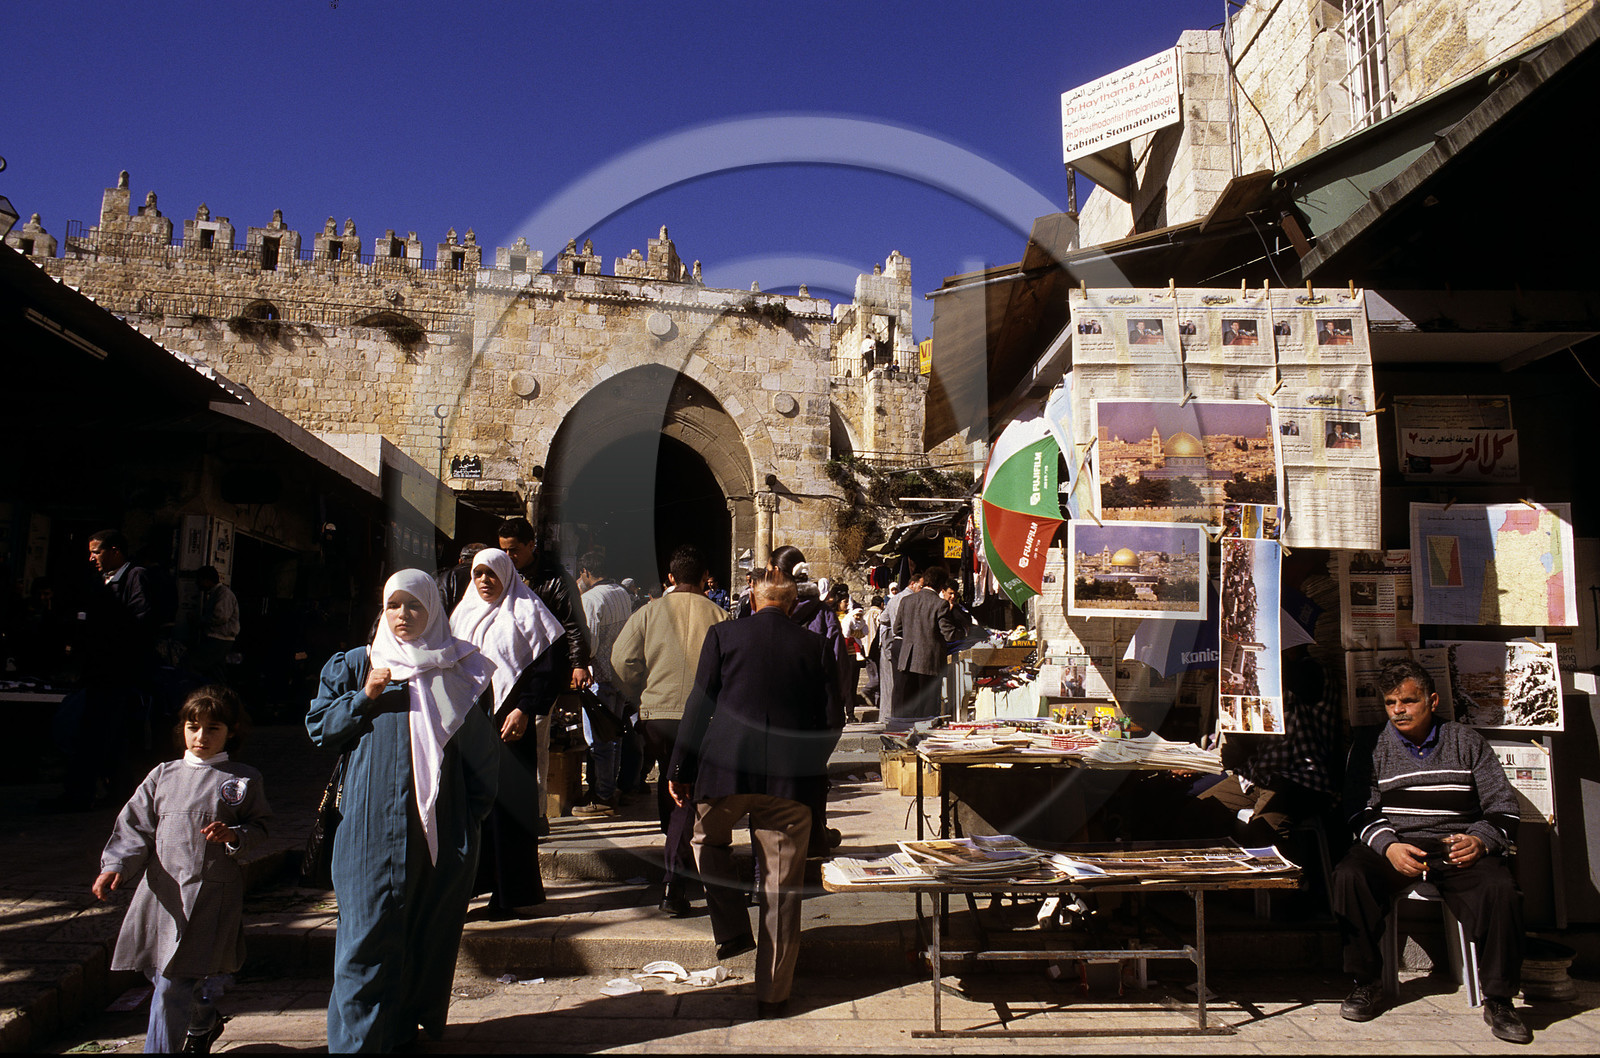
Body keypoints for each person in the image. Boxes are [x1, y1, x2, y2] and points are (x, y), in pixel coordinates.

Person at [306, 570, 499, 1052]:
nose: (403, 615)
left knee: (425, 932)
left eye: (414, 606)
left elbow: (482, 760)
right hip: (368, 828)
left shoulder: (460, 669)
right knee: (363, 934)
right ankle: (356, 1044)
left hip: (438, 829)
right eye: (395, 605)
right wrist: (365, 697)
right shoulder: (357, 665)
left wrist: (466, 821)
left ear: (433, 610)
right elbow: (321, 731)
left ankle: (401, 1025)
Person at [1333, 659, 1530, 1044]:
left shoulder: (1466, 741)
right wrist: (1388, 847)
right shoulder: (1371, 745)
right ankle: (1366, 982)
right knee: (1349, 875)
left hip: (1454, 846)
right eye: (1391, 703)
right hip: (1396, 842)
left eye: (1408, 701)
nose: (1399, 711)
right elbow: (1358, 810)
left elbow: (1503, 806)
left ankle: (1500, 999)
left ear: (1432, 700)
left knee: (1500, 889)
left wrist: (1480, 839)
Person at [668, 570, 836, 1018]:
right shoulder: (816, 646)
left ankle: (732, 928)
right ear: (793, 605)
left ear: (752, 599)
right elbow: (831, 717)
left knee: (705, 841)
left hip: (725, 771)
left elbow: (700, 702)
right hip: (789, 783)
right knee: (782, 890)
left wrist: (680, 767)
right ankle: (774, 995)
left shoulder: (723, 635)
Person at [93, 685, 272, 1054]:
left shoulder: (241, 779)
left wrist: (234, 835)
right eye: (193, 727)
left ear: (232, 731)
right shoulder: (163, 775)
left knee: (173, 980)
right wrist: (116, 865)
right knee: (160, 973)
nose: (201, 737)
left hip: (210, 894)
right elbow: (135, 826)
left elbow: (261, 828)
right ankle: (203, 1019)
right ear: (182, 729)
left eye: (213, 729)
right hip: (162, 893)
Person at [611, 544, 729, 917]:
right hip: (702, 719)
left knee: (671, 783)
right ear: (704, 577)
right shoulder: (721, 615)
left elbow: (621, 659)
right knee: (687, 794)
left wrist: (641, 694)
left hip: (657, 715)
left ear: (671, 577)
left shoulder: (648, 612)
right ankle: (673, 881)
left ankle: (674, 855)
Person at [450, 548, 566, 918]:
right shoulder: (462, 615)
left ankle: (509, 894)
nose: (485, 581)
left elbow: (549, 669)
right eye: (478, 573)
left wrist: (525, 709)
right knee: (469, 808)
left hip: (510, 726)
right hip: (468, 725)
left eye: (491, 574)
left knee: (507, 810)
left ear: (506, 574)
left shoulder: (528, 612)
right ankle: (470, 887)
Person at [496, 518, 590, 834]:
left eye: (514, 551)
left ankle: (535, 812)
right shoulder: (499, 576)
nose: (508, 558)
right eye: (503, 551)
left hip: (540, 672)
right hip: (501, 673)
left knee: (535, 738)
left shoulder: (555, 580)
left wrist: (578, 663)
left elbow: (573, 624)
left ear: (531, 546)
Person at [764, 546, 848, 852]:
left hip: (775, 705)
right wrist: (839, 701)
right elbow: (838, 660)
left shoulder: (765, 609)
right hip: (814, 709)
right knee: (812, 776)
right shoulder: (823, 613)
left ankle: (777, 843)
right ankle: (815, 837)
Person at [573, 551, 635, 817]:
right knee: (614, 737)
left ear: (586, 572)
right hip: (620, 676)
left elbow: (591, 642)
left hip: (600, 677)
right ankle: (612, 789)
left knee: (598, 740)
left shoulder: (591, 599)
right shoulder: (622, 593)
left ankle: (603, 796)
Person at [890, 564, 962, 723]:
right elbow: (949, 635)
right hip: (929, 661)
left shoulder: (906, 600)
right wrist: (964, 632)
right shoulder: (940, 604)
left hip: (907, 660)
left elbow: (897, 629)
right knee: (927, 710)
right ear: (941, 586)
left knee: (908, 707)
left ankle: (904, 740)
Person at [192, 566, 240, 685]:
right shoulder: (217, 594)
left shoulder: (223, 594)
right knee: (217, 672)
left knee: (195, 665)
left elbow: (220, 617)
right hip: (218, 638)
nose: (197, 583)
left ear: (206, 580)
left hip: (219, 638)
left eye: (199, 580)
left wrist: (200, 621)